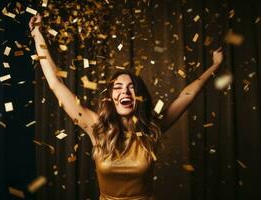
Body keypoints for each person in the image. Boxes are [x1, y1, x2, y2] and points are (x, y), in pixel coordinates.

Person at [29, 14, 223, 200]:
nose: (125, 92)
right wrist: (37, 32)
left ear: (138, 97)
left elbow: (186, 96)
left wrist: (214, 66)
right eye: (118, 88)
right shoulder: (97, 128)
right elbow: (55, 83)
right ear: (111, 97)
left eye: (131, 88)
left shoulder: (150, 128)